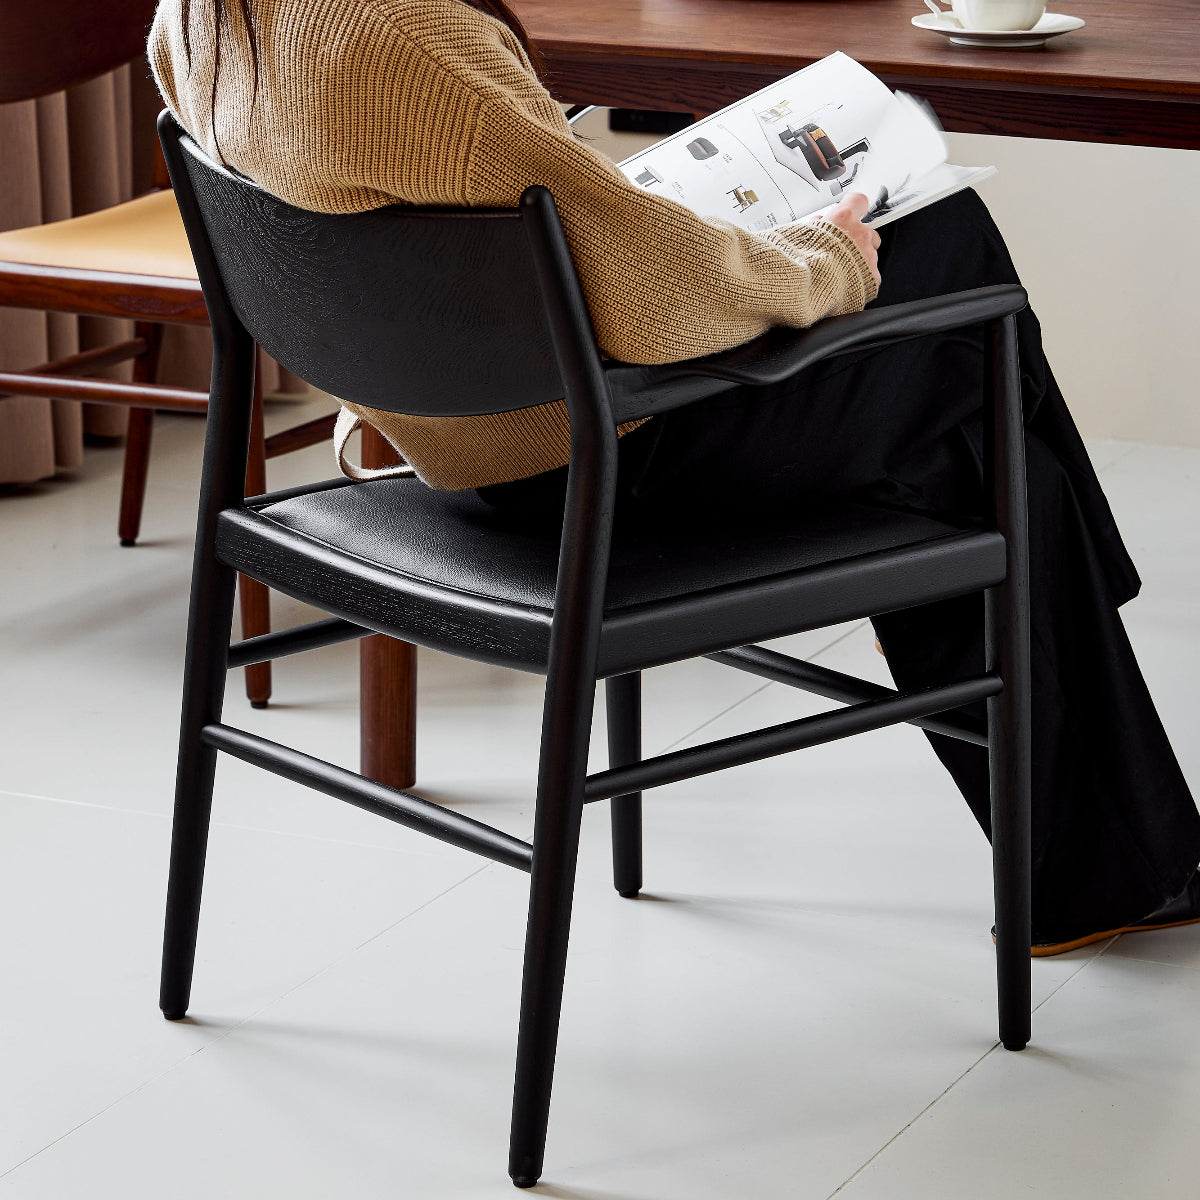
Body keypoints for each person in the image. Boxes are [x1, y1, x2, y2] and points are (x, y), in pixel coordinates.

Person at [149, 0, 1200, 954]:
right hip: (586, 470)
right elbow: (643, 296)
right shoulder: (400, 34)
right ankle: (1093, 797)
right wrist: (821, 258)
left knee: (971, 441)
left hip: (450, 438)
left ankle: (1109, 853)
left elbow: (515, 216)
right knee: (946, 264)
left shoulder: (196, 20)